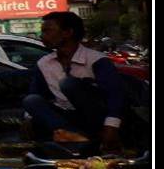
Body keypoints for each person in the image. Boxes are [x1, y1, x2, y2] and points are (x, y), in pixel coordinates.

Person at [23, 10, 124, 150]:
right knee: (31, 100)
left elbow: (114, 96)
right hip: (66, 117)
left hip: (95, 115)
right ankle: (76, 136)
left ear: (67, 33)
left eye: (48, 31)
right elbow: (36, 92)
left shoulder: (97, 60)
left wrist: (111, 126)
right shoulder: (44, 63)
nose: (42, 36)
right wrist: (29, 117)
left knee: (68, 83)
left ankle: (84, 137)